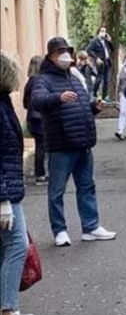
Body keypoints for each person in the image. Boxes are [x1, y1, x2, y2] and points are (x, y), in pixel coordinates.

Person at [31, 37, 116, 247]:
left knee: (87, 186)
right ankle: (59, 230)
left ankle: (91, 226)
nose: (65, 56)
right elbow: (37, 101)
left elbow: (81, 105)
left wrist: (94, 107)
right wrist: (58, 97)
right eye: (60, 52)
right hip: (61, 144)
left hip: (83, 143)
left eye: (67, 51)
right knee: (57, 190)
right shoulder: (43, 80)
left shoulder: (74, 78)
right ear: (50, 56)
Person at [1, 51, 44, 315]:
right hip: (6, 190)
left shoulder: (3, 101)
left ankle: (7, 310)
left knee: (8, 248)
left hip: (9, 187)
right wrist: (3, 199)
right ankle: (8, 314)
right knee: (16, 246)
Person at [23, 56, 46, 185]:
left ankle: (40, 173)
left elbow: (25, 103)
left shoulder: (30, 82)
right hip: (41, 117)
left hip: (32, 118)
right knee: (42, 147)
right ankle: (40, 174)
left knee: (40, 146)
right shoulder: (40, 82)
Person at [87, 26, 113, 101]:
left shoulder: (106, 41)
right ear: (98, 32)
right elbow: (89, 50)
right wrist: (96, 58)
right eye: (102, 31)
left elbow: (112, 49)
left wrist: (110, 41)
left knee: (106, 80)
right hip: (100, 62)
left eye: (105, 31)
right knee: (99, 79)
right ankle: (94, 93)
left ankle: (105, 96)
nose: (103, 33)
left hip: (107, 61)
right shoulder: (95, 41)